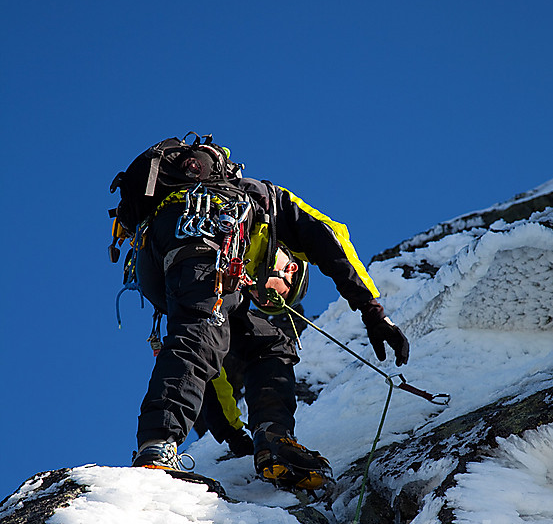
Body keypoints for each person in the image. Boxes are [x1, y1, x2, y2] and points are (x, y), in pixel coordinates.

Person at [116, 135, 409, 489]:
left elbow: (217, 375)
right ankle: (157, 447)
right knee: (201, 335)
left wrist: (233, 437)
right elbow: (330, 237)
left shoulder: (235, 284)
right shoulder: (266, 200)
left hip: (167, 260)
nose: (277, 293)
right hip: (197, 230)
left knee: (267, 343)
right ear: (286, 257)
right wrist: (371, 310)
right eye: (289, 278)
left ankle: (272, 438)